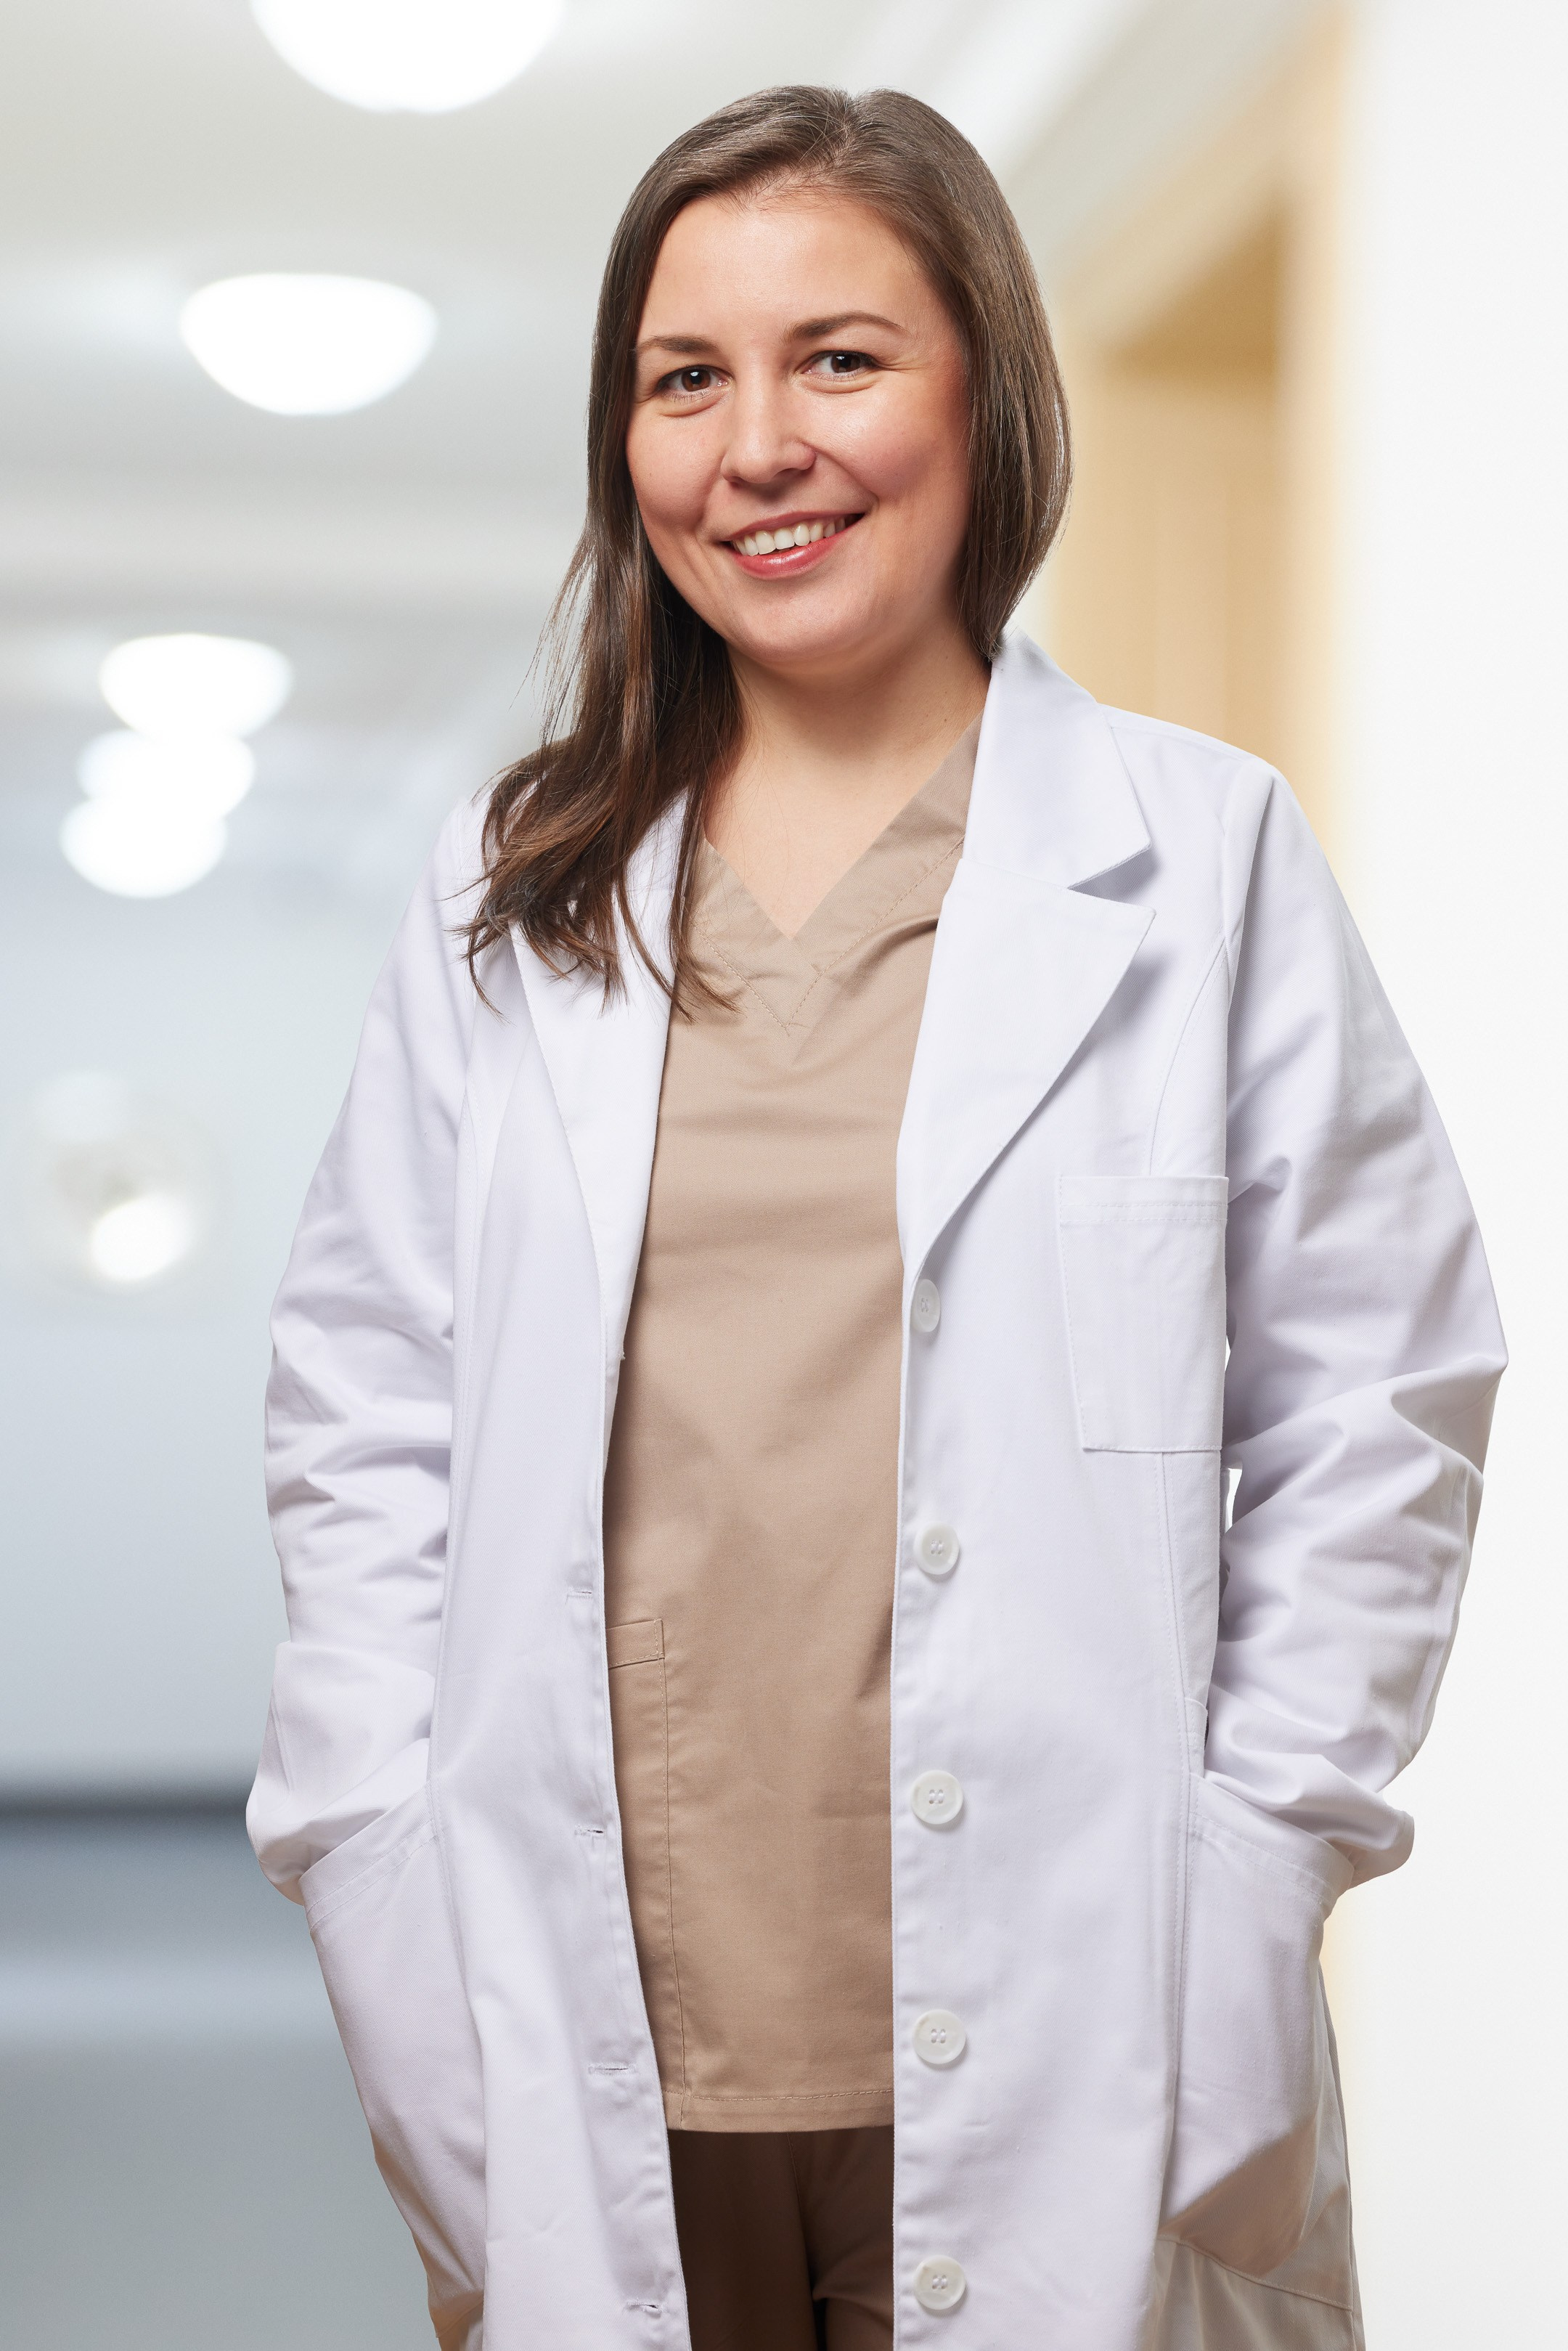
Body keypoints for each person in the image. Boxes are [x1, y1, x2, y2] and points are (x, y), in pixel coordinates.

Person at [248, 84, 1503, 2351]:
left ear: (984, 392)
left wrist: (1257, 1866)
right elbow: (363, 1423)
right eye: (682, 379)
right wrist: (368, 1860)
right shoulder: (510, 894)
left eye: (838, 358)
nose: (757, 450)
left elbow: (1379, 1405)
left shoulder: (1194, 862)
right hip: (596, 2023)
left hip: (1079, 2011)